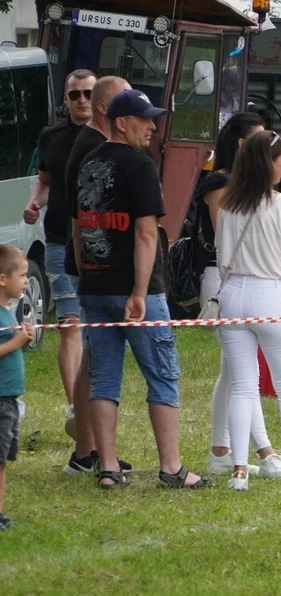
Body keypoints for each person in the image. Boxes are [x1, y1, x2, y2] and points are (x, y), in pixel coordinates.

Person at [75, 88, 208, 489]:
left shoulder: (88, 162)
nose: (153, 126)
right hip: (138, 293)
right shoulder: (140, 165)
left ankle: (109, 468)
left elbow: (79, 226)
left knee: (103, 379)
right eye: (145, 119)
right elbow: (147, 234)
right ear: (121, 122)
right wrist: (137, 291)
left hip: (94, 286)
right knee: (163, 375)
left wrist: (88, 275)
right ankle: (171, 468)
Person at [214, 130, 281, 490]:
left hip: (233, 295)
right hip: (272, 294)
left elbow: (221, 256)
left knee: (243, 386)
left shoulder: (227, 204)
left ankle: (240, 469)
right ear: (267, 163)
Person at [198, 113, 281, 477]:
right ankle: (263, 451)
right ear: (243, 146)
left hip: (242, 282)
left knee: (234, 372)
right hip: (226, 280)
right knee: (241, 374)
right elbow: (230, 244)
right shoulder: (222, 184)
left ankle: (222, 449)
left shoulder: (242, 188)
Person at [60, 76, 133, 476]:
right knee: (92, 357)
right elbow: (81, 217)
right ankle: (85, 450)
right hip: (92, 268)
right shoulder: (92, 148)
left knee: (92, 356)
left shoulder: (90, 144)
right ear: (108, 109)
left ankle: (86, 449)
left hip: (88, 265)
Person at [23, 68, 95, 439]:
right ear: (64, 99)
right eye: (74, 95)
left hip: (100, 245)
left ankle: (93, 405)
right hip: (59, 242)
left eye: (87, 93)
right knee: (70, 325)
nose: (81, 100)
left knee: (95, 330)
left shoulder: (109, 134)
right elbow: (46, 182)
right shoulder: (51, 136)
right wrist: (35, 202)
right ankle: (75, 409)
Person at [0, 246, 36, 530]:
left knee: (3, 460)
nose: (26, 281)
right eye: (22, 275)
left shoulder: (8, 312)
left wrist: (23, 336)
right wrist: (16, 342)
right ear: (3, 279)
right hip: (0, 400)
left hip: (9, 398)